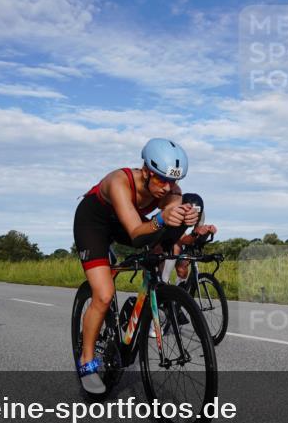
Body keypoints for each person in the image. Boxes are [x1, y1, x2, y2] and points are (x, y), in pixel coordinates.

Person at [72, 138, 200, 394]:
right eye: (161, 179)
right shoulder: (120, 181)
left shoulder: (172, 192)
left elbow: (164, 235)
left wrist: (185, 220)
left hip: (128, 222)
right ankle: (87, 359)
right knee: (104, 294)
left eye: (172, 181)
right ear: (145, 172)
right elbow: (135, 234)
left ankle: (135, 310)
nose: (167, 187)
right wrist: (162, 218)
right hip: (94, 223)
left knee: (156, 251)